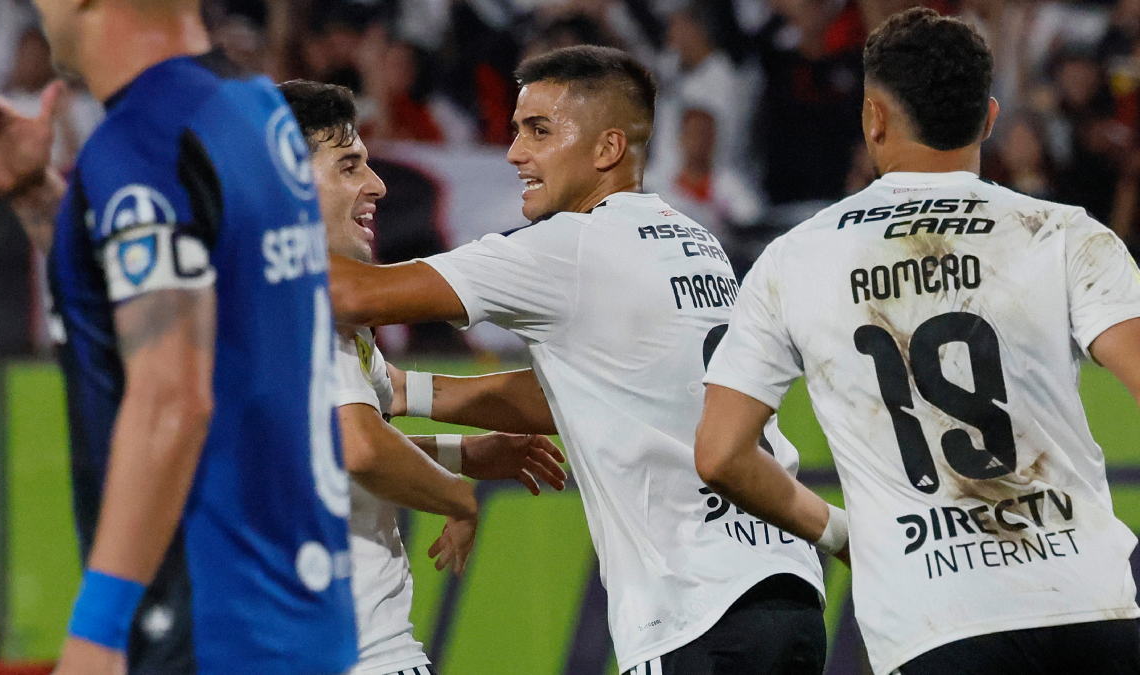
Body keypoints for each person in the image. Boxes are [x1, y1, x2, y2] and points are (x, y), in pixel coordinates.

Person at [328, 45, 849, 675]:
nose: (516, 153)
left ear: (606, 150)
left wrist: (243, 217)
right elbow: (592, 389)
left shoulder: (568, 249)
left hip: (692, 610)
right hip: (785, 592)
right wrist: (408, 392)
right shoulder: (693, 240)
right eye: (517, 130)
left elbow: (352, 293)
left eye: (539, 132)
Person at [694, 8, 1140, 675]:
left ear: (873, 117)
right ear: (989, 118)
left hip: (937, 619)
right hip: (1092, 608)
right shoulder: (1064, 232)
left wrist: (842, 533)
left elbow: (721, 453)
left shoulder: (796, 259)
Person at [0, 1, 361, 673]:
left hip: (207, 624)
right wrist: (36, 195)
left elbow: (172, 396)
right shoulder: (250, 110)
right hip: (295, 612)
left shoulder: (142, 142)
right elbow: (213, 315)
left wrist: (97, 628)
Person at [279, 78, 568, 675]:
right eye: (349, 165)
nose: (377, 184)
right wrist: (456, 497)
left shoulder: (255, 300)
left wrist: (464, 453)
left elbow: (392, 401)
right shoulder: (301, 304)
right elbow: (358, 445)